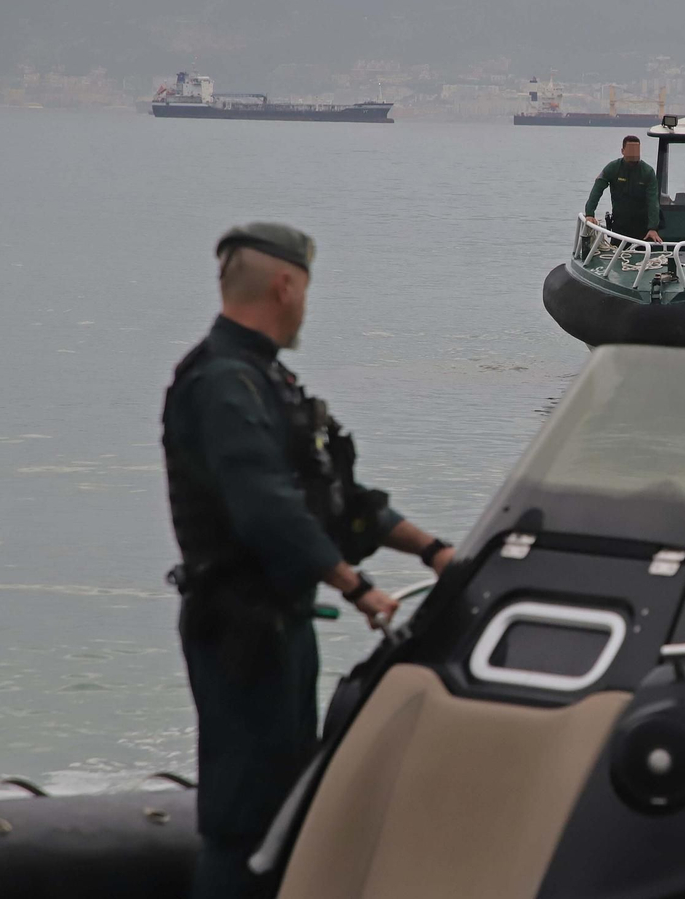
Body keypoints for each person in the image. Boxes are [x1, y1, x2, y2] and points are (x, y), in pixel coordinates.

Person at [162, 223, 458, 899]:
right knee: (244, 822)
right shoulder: (223, 384)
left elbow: (339, 501)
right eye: (306, 291)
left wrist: (434, 550)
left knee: (284, 807)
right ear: (285, 285)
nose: (305, 307)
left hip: (280, 628)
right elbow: (266, 510)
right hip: (239, 630)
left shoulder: (270, 381)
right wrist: (359, 589)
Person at [584, 135, 661, 243]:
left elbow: (653, 201)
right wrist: (589, 213)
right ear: (622, 151)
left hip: (642, 227)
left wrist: (653, 227)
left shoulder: (647, 172)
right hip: (619, 225)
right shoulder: (613, 168)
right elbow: (598, 188)